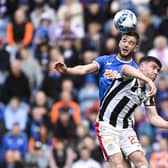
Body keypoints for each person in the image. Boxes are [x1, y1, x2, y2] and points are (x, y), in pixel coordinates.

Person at [54, 31, 140, 103]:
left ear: (135, 48)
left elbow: (133, 96)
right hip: (104, 115)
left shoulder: (136, 70)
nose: (126, 45)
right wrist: (67, 70)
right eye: (124, 41)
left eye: (131, 43)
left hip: (122, 118)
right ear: (119, 43)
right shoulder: (105, 60)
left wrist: (117, 81)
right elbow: (84, 69)